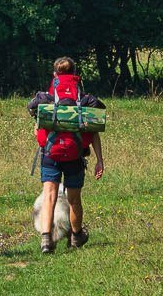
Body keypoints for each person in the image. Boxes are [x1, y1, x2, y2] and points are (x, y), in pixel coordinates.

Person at [27, 56, 106, 254]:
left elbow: (31, 109)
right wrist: (99, 160)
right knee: (74, 200)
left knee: (49, 197)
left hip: (50, 154)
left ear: (55, 75)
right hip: (74, 155)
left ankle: (46, 240)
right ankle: (76, 236)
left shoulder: (45, 98)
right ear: (75, 75)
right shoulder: (86, 100)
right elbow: (97, 125)